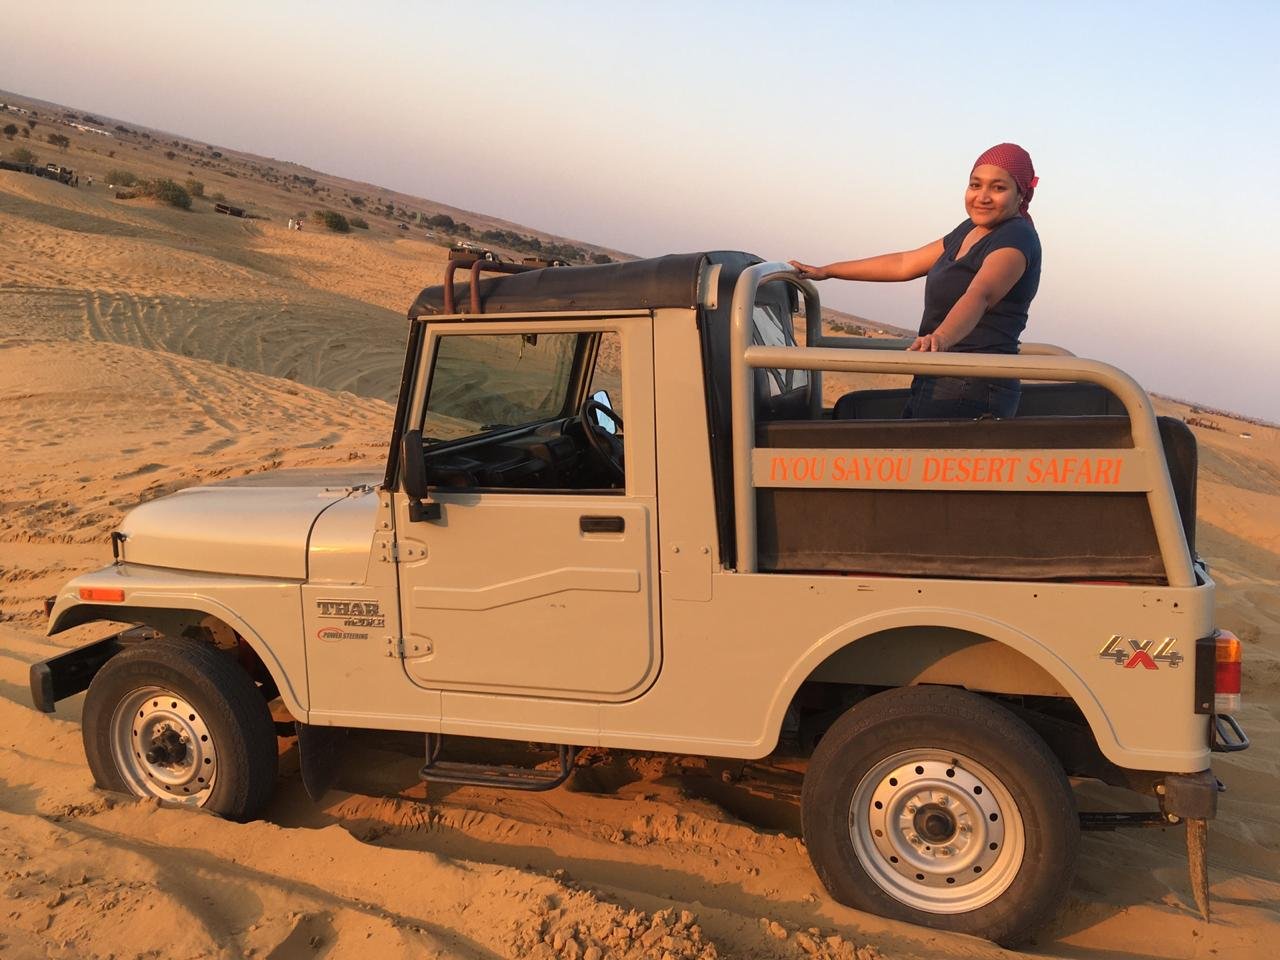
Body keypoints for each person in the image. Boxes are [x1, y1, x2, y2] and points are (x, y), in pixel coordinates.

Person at [790, 143, 1041, 419]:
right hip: (941, 371)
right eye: (975, 185)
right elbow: (904, 263)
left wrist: (940, 339)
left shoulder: (1016, 238)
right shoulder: (970, 229)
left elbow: (980, 294)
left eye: (998, 188)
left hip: (972, 383)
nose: (982, 196)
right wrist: (827, 271)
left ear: (1021, 195)